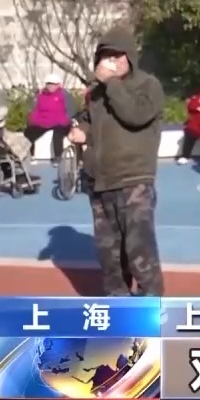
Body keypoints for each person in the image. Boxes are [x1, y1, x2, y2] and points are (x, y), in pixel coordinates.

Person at [68, 26, 166, 297]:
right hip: (100, 182)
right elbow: (89, 120)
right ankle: (118, 305)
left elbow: (135, 115)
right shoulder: (96, 93)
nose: (111, 61)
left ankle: (149, 306)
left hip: (133, 179)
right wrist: (82, 131)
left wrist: (112, 83)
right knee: (109, 256)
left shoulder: (147, 85)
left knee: (139, 252)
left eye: (117, 55)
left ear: (130, 56)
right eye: (105, 56)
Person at [24, 74, 73, 166]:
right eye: (48, 84)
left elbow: (71, 110)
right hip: (43, 122)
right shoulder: (41, 95)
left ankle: (58, 157)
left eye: (53, 84)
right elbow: (35, 110)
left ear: (58, 85)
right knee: (29, 132)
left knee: (57, 134)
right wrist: (32, 120)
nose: (51, 86)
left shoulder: (64, 94)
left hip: (60, 122)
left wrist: (67, 120)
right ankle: (31, 155)